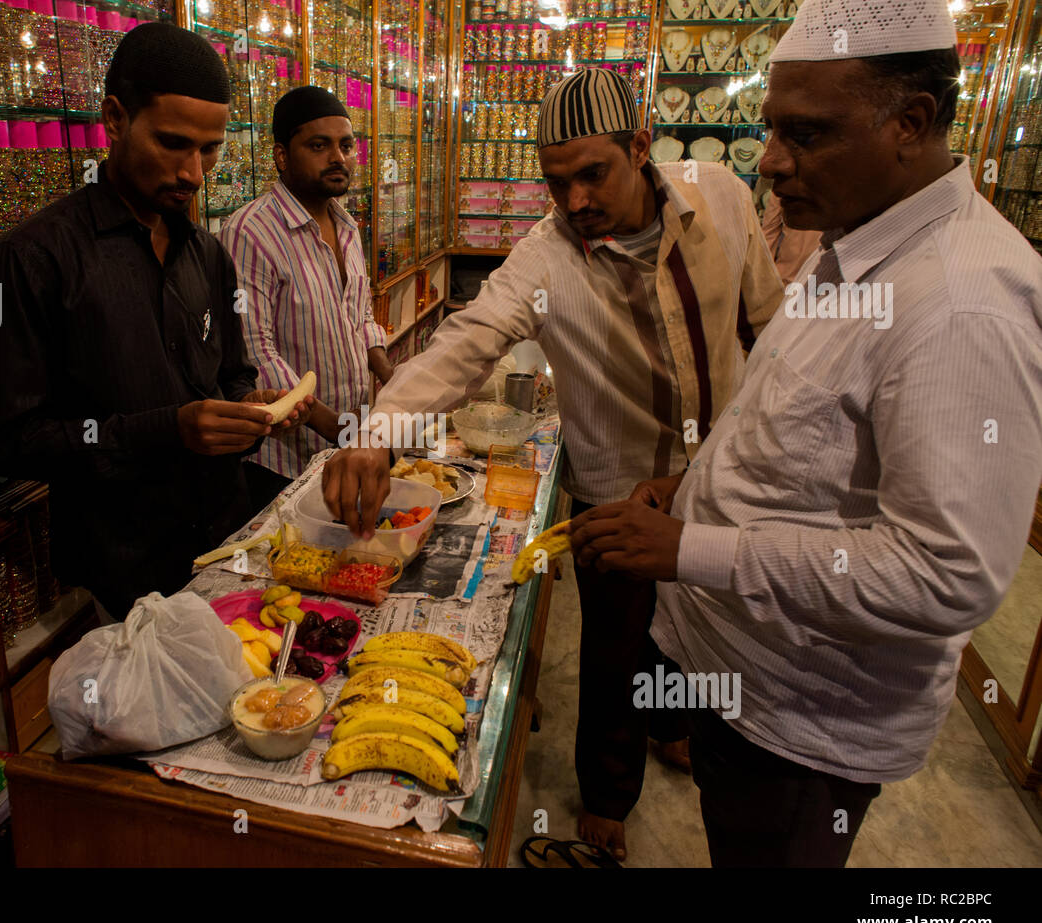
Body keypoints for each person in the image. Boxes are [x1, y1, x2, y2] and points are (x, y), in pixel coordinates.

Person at [568, 0, 1042, 867]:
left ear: (912, 122)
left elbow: (947, 572)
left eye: (807, 134)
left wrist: (690, 548)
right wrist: (697, 486)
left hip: (802, 722)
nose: (773, 162)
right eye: (771, 130)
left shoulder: (964, 304)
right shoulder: (858, 239)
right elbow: (794, 422)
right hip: (744, 678)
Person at [322, 68, 784, 861]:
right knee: (616, 643)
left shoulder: (724, 200)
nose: (573, 201)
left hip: (721, 476)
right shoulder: (546, 256)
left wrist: (759, 451)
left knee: (704, 627)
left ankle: (673, 724)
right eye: (555, 182)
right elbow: (466, 342)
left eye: (591, 174)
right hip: (614, 489)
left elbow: (770, 327)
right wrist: (376, 430)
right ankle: (607, 793)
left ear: (641, 147)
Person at [0, 23, 310, 623]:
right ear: (114, 118)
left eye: (210, 149)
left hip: (227, 542)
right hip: (123, 567)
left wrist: (254, 407)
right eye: (173, 143)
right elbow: (12, 439)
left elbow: (229, 377)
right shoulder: (34, 259)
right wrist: (166, 429)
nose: (194, 173)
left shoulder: (207, 254)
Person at [219, 86, 393, 513]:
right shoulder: (250, 232)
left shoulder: (346, 224)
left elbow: (361, 316)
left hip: (347, 442)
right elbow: (256, 353)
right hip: (284, 462)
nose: (339, 157)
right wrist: (341, 430)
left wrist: (393, 377)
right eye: (319, 146)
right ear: (282, 156)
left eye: (346, 145)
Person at [760, 189, 822, 284]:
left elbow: (769, 233)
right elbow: (769, 234)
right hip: (789, 278)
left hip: (792, 277)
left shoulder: (786, 184)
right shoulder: (785, 184)